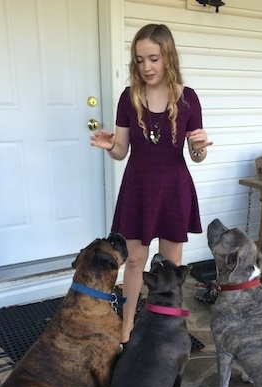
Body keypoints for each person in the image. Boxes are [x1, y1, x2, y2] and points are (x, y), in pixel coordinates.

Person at [90, 24, 212, 344]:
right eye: (140, 60)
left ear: (167, 57)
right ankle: (127, 325)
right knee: (134, 260)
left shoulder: (188, 100)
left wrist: (199, 145)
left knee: (170, 265)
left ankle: (165, 324)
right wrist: (109, 146)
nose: (146, 67)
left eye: (154, 58)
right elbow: (121, 152)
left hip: (174, 187)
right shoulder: (128, 99)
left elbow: (195, 156)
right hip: (138, 188)